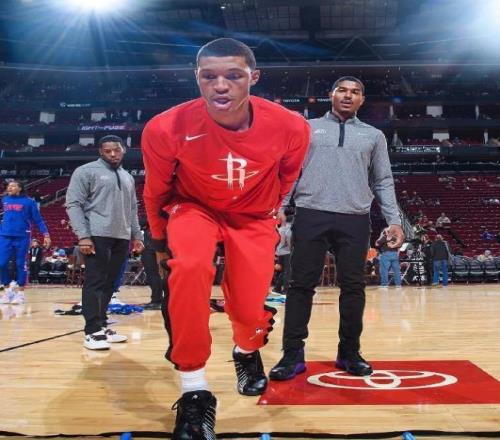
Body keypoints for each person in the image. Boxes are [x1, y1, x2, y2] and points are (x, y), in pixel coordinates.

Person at [141, 38, 310, 440]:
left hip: (253, 214)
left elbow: (288, 175)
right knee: (189, 269)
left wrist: (272, 207)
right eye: (209, 76)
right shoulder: (165, 127)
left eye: (233, 76)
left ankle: (246, 351)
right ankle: (194, 390)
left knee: (250, 309)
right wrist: (159, 242)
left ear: (254, 77)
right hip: (193, 208)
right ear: (196, 78)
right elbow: (156, 190)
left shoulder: (290, 126)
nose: (220, 86)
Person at [269, 76, 404, 382]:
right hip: (311, 213)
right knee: (300, 285)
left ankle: (349, 352)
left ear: (362, 99)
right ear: (331, 94)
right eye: (342, 90)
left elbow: (383, 180)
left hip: (354, 217)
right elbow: (290, 171)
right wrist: (279, 206)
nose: (348, 95)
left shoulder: (373, 136)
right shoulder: (307, 128)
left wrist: (394, 220)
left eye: (355, 92)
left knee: (353, 287)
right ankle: (292, 354)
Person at [66, 135, 144, 351]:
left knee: (110, 284)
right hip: (96, 235)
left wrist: (137, 236)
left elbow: (132, 209)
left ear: (123, 150)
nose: (112, 154)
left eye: (116, 150)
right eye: (107, 151)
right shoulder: (85, 171)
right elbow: (73, 204)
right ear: (100, 151)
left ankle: (101, 325)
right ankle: (92, 331)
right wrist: (83, 236)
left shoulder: (127, 177)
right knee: (95, 282)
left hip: (121, 236)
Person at [0, 180, 51, 304]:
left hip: (22, 236)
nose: (9, 187)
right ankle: (8, 290)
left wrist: (46, 235)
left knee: (20, 263)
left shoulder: (29, 202)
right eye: (8, 186)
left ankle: (20, 293)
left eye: (13, 186)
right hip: (5, 236)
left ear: (20, 188)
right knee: (1, 263)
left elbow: (38, 220)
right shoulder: (4, 199)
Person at [140, 218, 165, 310]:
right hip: (158, 238)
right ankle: (158, 299)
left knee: (152, 273)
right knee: (156, 273)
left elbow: (143, 221)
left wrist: (140, 223)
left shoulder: (149, 213)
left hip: (152, 240)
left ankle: (157, 300)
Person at [273, 212, 293, 295]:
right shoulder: (288, 229)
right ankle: (285, 289)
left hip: (279, 252)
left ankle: (277, 288)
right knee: (287, 271)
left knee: (284, 271)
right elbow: (289, 240)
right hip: (286, 252)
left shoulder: (280, 229)